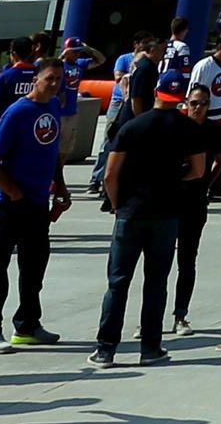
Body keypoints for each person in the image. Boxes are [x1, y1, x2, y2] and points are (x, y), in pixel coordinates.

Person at [89, 62, 207, 367]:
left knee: (118, 282)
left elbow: (110, 175)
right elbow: (198, 171)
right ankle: (151, 347)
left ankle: (106, 348)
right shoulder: (189, 129)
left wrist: (117, 204)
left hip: (131, 211)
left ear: (156, 92)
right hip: (166, 213)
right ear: (180, 98)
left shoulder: (132, 127)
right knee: (156, 282)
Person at [0, 59, 74, 350]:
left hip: (38, 202)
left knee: (34, 268)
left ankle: (28, 324)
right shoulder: (17, 112)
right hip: (8, 205)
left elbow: (53, 152)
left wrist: (61, 186)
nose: (55, 84)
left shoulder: (53, 108)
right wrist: (13, 193)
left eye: (59, 79)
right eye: (50, 79)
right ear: (36, 80)